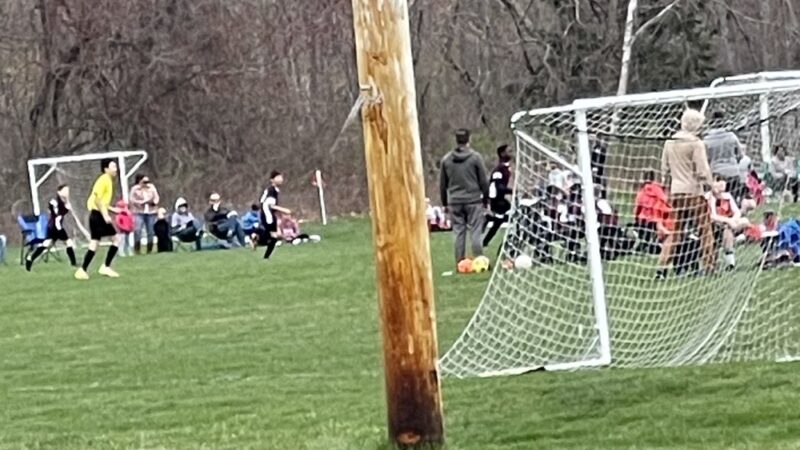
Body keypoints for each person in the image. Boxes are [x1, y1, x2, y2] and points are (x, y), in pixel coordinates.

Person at [657, 109, 715, 279]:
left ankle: (662, 266)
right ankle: (710, 265)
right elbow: (702, 170)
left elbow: (664, 169)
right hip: (693, 191)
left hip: (676, 191)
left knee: (675, 231)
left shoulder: (670, 142)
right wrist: (711, 186)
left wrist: (666, 187)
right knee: (705, 230)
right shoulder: (696, 143)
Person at [439, 128, 489, 265]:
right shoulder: (475, 158)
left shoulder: (446, 160)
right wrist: (486, 199)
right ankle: (479, 261)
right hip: (473, 200)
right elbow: (483, 181)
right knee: (475, 231)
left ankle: (460, 262)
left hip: (455, 201)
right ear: (469, 140)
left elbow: (443, 184)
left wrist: (445, 203)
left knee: (458, 232)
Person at [75, 158, 121, 280]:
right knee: (116, 239)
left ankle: (82, 270)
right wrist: (105, 215)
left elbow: (102, 201)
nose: (116, 169)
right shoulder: (104, 179)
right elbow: (97, 199)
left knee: (95, 243)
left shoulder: (108, 180)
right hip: (98, 215)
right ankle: (105, 266)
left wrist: (111, 209)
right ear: (106, 169)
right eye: (113, 166)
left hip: (96, 214)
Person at [25, 184, 78, 270]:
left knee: (46, 244)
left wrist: (67, 201)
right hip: (56, 227)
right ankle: (73, 263)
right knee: (68, 243)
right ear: (59, 192)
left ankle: (30, 259)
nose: (67, 192)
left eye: (67, 191)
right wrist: (65, 205)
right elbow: (58, 212)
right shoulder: (55, 202)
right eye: (65, 190)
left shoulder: (63, 201)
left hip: (54, 226)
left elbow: (65, 210)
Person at [707, 176, 750, 270]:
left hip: (730, 224)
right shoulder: (709, 197)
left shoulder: (727, 196)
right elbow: (712, 216)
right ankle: (731, 262)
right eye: (717, 181)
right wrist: (728, 221)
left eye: (723, 180)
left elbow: (737, 211)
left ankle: (736, 243)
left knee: (745, 221)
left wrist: (733, 220)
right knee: (727, 231)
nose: (722, 183)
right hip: (715, 226)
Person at [704, 111, 744, 201]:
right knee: (734, 202)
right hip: (732, 172)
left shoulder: (707, 140)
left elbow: (705, 159)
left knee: (718, 203)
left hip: (716, 174)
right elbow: (740, 155)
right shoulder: (731, 136)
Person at [634, 169, 674, 254]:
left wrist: (636, 217)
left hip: (643, 219)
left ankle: (644, 243)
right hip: (655, 217)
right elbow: (665, 199)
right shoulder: (657, 188)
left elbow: (638, 205)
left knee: (644, 232)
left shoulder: (642, 191)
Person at [483, 144, 513, 247]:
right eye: (508, 151)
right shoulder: (499, 169)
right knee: (513, 215)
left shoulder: (505, 168)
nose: (511, 153)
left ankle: (485, 241)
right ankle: (488, 219)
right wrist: (512, 191)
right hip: (497, 199)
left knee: (499, 221)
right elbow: (497, 187)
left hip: (499, 199)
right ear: (502, 153)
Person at [260, 171, 292, 259]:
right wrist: (284, 210)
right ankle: (256, 237)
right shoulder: (272, 190)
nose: (281, 179)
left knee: (274, 237)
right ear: (272, 180)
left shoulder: (274, 190)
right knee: (273, 236)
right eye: (278, 177)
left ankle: (266, 257)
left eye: (281, 177)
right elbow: (271, 205)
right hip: (267, 215)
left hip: (269, 214)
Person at [129, 174, 160, 254]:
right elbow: (131, 200)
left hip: (151, 212)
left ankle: (149, 249)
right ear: (140, 181)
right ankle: (137, 249)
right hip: (139, 212)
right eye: (144, 182)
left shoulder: (151, 187)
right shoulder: (135, 189)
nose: (146, 184)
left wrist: (154, 202)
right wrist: (140, 203)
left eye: (148, 181)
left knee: (150, 231)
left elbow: (156, 197)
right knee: (138, 230)